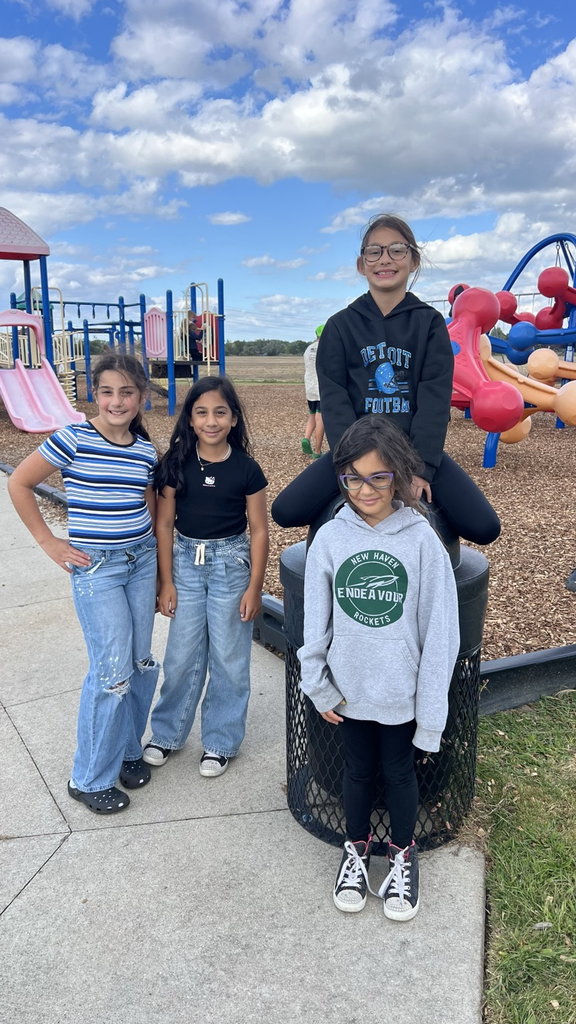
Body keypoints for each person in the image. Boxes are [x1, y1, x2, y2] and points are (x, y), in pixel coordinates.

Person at [298, 415, 460, 919]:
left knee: (398, 774)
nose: (365, 489)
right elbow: (315, 623)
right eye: (353, 477)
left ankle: (402, 857)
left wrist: (430, 714)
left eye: (378, 477)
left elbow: (441, 634)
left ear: (400, 476)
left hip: (401, 695)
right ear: (341, 477)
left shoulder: (420, 540)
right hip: (348, 694)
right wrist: (318, 685)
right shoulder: (329, 538)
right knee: (357, 773)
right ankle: (356, 850)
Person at [272, 214, 500, 545]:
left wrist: (421, 469)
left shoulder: (430, 324)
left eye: (396, 249)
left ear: (413, 260)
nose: (385, 260)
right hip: (354, 451)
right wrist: (356, 468)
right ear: (361, 264)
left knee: (484, 527)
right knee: (285, 511)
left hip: (412, 449)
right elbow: (334, 400)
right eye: (374, 252)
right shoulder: (340, 326)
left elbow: (434, 399)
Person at [8, 353, 160, 814]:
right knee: (111, 672)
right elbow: (19, 482)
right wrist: (48, 541)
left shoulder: (145, 450)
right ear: (95, 394)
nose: (117, 401)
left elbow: (150, 509)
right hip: (98, 570)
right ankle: (89, 776)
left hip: (141, 562)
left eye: (127, 392)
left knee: (139, 662)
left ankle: (128, 750)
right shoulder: (73, 439)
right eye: (108, 392)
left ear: (141, 397)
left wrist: (160, 573)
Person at [143, 375, 269, 777]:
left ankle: (220, 742)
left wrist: (254, 587)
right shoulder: (175, 464)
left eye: (220, 412)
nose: (211, 420)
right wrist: (166, 581)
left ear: (234, 419)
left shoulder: (247, 469)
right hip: (184, 563)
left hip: (231, 566)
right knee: (180, 655)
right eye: (202, 412)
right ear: (190, 419)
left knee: (230, 658)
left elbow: (259, 530)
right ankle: (167, 733)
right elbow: (163, 525)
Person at [301, 324, 325, 459]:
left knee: (312, 416)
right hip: (321, 387)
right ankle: (317, 451)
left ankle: (306, 438)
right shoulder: (326, 348)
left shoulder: (308, 349)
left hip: (309, 388)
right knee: (320, 418)